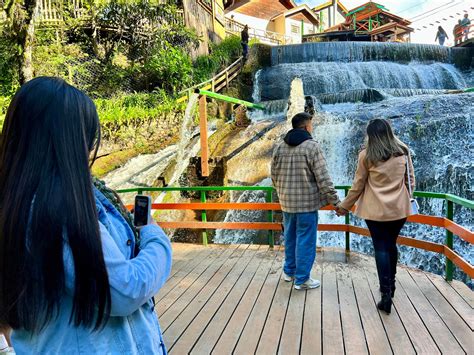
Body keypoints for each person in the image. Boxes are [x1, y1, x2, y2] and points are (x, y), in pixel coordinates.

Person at [0, 77, 172, 354]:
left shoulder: (15, 203)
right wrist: (155, 237)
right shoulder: (59, 210)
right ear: (66, 142)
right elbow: (125, 290)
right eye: (86, 138)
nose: (89, 149)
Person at [336, 118, 415, 315]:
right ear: (389, 132)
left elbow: (358, 185)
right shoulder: (403, 151)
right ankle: (393, 284)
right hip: (398, 209)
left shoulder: (366, 155)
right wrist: (408, 197)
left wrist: (344, 207)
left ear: (370, 135)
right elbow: (410, 179)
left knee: (380, 247)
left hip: (375, 210)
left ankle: (385, 294)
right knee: (391, 244)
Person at [271, 112, 341, 290]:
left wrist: (282, 194)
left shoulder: (280, 147)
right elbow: (323, 179)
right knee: (306, 240)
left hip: (287, 203)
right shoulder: (311, 147)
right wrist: (335, 202)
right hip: (306, 204)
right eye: (311, 125)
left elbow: (274, 175)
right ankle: (302, 279)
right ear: (306, 127)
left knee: (290, 237)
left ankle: (289, 272)